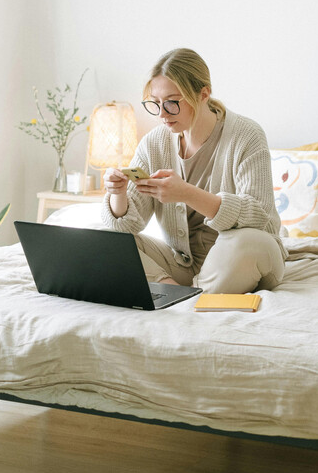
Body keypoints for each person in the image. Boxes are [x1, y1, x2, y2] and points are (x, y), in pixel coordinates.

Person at [102, 48, 287, 293]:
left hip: (247, 256)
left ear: (203, 94)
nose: (162, 114)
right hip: (183, 263)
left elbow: (259, 215)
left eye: (171, 102)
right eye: (155, 103)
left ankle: (186, 294)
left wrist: (187, 193)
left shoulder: (246, 135)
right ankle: (178, 294)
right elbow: (125, 228)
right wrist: (118, 193)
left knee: (247, 241)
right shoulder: (154, 143)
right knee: (105, 240)